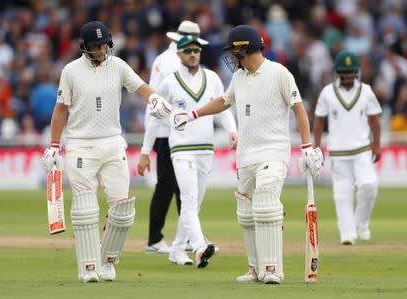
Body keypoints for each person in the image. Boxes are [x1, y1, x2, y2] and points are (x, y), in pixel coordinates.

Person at [171, 25, 323, 284]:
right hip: (246, 155)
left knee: (265, 204)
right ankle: (255, 269)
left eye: (233, 52)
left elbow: (298, 109)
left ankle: (272, 268)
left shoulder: (279, 73)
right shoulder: (239, 78)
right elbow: (223, 101)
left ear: (245, 49)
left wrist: (307, 146)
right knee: (246, 213)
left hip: (273, 152)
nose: (231, 57)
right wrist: (193, 114)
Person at [42, 21, 171, 283]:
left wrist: (156, 99)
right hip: (80, 144)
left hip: (113, 143)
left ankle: (107, 261)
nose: (101, 50)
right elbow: (61, 110)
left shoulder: (118, 65)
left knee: (122, 210)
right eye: (95, 46)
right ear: (84, 47)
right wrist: (54, 145)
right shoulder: (71, 71)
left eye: (104, 45)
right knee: (86, 208)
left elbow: (142, 87)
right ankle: (88, 267)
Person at [158, 35, 237, 267]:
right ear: (179, 54)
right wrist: (145, 149)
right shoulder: (169, 82)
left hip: (205, 148)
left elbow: (223, 107)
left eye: (196, 50)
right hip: (181, 148)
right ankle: (201, 247)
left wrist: (232, 130)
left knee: (195, 202)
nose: (193, 54)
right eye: (188, 51)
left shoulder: (212, 78)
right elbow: (155, 116)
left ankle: (177, 249)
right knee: (189, 200)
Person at [137, 21, 209, 254]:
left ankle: (185, 237)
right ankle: (161, 239)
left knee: (176, 187)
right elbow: (161, 103)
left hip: (166, 131)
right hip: (172, 132)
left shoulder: (161, 58)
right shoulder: (173, 63)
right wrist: (145, 149)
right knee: (172, 187)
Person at [314, 50, 381, 245]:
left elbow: (375, 120)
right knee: (342, 192)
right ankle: (347, 233)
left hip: (362, 149)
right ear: (338, 72)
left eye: (352, 71)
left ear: (357, 72)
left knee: (369, 185)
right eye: (345, 72)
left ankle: (361, 223)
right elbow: (318, 122)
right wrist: (317, 148)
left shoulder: (366, 91)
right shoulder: (327, 92)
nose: (348, 75)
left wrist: (376, 145)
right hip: (337, 150)